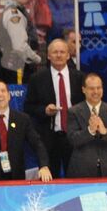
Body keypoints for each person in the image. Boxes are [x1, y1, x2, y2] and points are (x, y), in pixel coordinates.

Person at [0, 80, 54, 185]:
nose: (0, 94)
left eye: (3, 91)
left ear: (9, 96)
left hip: (16, 176)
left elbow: (37, 143)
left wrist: (43, 166)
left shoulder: (22, 119)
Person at [24, 38, 83, 178]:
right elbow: (28, 106)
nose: (59, 55)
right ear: (48, 56)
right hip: (48, 138)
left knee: (77, 178)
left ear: (68, 55)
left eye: (62, 52)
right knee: (51, 180)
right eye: (55, 52)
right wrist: (44, 110)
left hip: (74, 136)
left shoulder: (79, 77)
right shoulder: (37, 78)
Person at [66, 73, 107, 178]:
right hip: (82, 171)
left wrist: (105, 132)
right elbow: (72, 139)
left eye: (99, 88)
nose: (96, 92)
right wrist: (90, 131)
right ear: (83, 90)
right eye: (91, 88)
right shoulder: (74, 111)